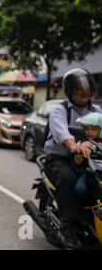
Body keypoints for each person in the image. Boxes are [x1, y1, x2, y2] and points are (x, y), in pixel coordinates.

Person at [43, 68, 102, 250]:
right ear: (70, 91)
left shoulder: (97, 110)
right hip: (59, 159)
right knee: (69, 180)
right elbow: (62, 134)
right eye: (78, 89)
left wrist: (90, 146)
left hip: (89, 159)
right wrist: (74, 146)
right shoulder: (59, 111)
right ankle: (67, 227)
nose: (83, 93)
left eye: (86, 89)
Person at [73, 112, 102, 206]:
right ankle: (84, 210)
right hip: (90, 174)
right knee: (80, 189)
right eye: (87, 129)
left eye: (93, 129)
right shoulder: (84, 143)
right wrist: (79, 155)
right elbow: (77, 161)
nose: (90, 132)